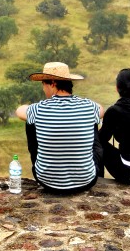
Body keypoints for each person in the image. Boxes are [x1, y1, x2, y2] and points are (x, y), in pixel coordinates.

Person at [16, 62, 103, 194]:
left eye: (43, 84)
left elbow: (19, 111)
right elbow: (101, 110)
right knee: (93, 121)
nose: (43, 89)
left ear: (52, 83)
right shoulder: (88, 106)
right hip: (86, 181)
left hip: (47, 182)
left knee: (30, 121)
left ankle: (46, 167)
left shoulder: (38, 109)